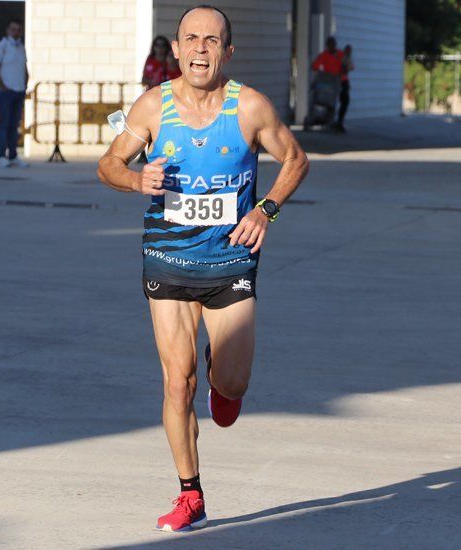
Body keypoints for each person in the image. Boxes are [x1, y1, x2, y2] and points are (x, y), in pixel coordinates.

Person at [97, 4, 309, 533]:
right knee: (176, 382)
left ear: (227, 51)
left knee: (231, 388)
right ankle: (190, 493)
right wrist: (134, 181)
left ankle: (223, 372)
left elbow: (296, 159)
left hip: (230, 262)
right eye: (190, 39)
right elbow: (108, 164)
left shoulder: (250, 108)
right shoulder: (152, 106)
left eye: (211, 41)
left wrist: (266, 209)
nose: (199, 49)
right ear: (175, 48)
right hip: (167, 260)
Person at [0, 18, 29, 168]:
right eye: (13, 29)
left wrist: (24, 84)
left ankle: (13, 156)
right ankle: (0, 155)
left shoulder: (21, 47)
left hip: (18, 91)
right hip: (5, 93)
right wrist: (3, 86)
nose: (16, 32)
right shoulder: (1, 47)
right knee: (4, 124)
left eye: (18, 29)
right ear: (7, 30)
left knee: (14, 125)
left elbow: (24, 68)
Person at [311, 37, 344, 132]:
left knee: (333, 103)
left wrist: (342, 71)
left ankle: (332, 121)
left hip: (336, 82)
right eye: (329, 45)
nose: (331, 47)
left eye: (333, 45)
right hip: (325, 81)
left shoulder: (340, 55)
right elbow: (315, 66)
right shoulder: (324, 55)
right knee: (318, 100)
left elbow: (346, 66)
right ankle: (315, 118)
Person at [336, 44, 354, 133]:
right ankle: (338, 121)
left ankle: (340, 121)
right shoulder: (341, 57)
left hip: (343, 82)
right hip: (338, 82)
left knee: (344, 102)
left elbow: (351, 67)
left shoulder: (346, 58)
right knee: (344, 101)